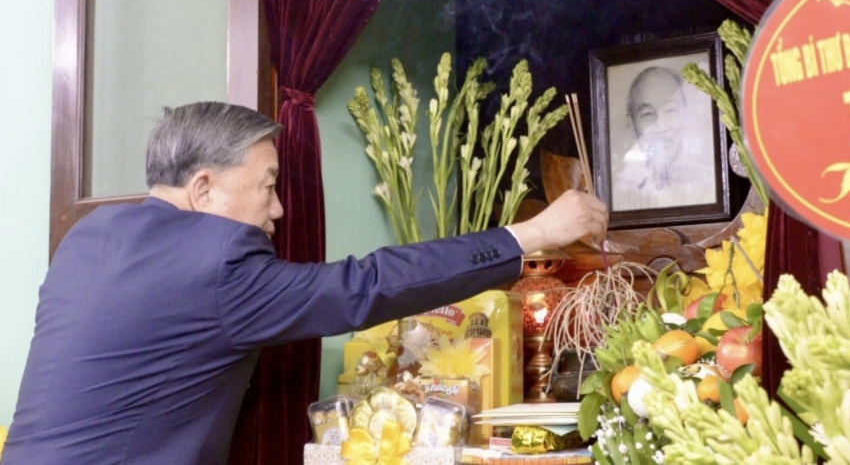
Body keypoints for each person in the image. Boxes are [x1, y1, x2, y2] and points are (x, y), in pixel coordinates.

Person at [4, 102, 607, 465]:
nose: (280, 211)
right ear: (204, 188)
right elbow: (362, 288)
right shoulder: (215, 261)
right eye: (268, 185)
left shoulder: (90, 235)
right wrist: (529, 234)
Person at [612, 66, 712, 210]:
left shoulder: (707, 184)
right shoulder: (618, 194)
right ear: (631, 123)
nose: (660, 126)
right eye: (647, 114)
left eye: (670, 111)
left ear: (686, 115)